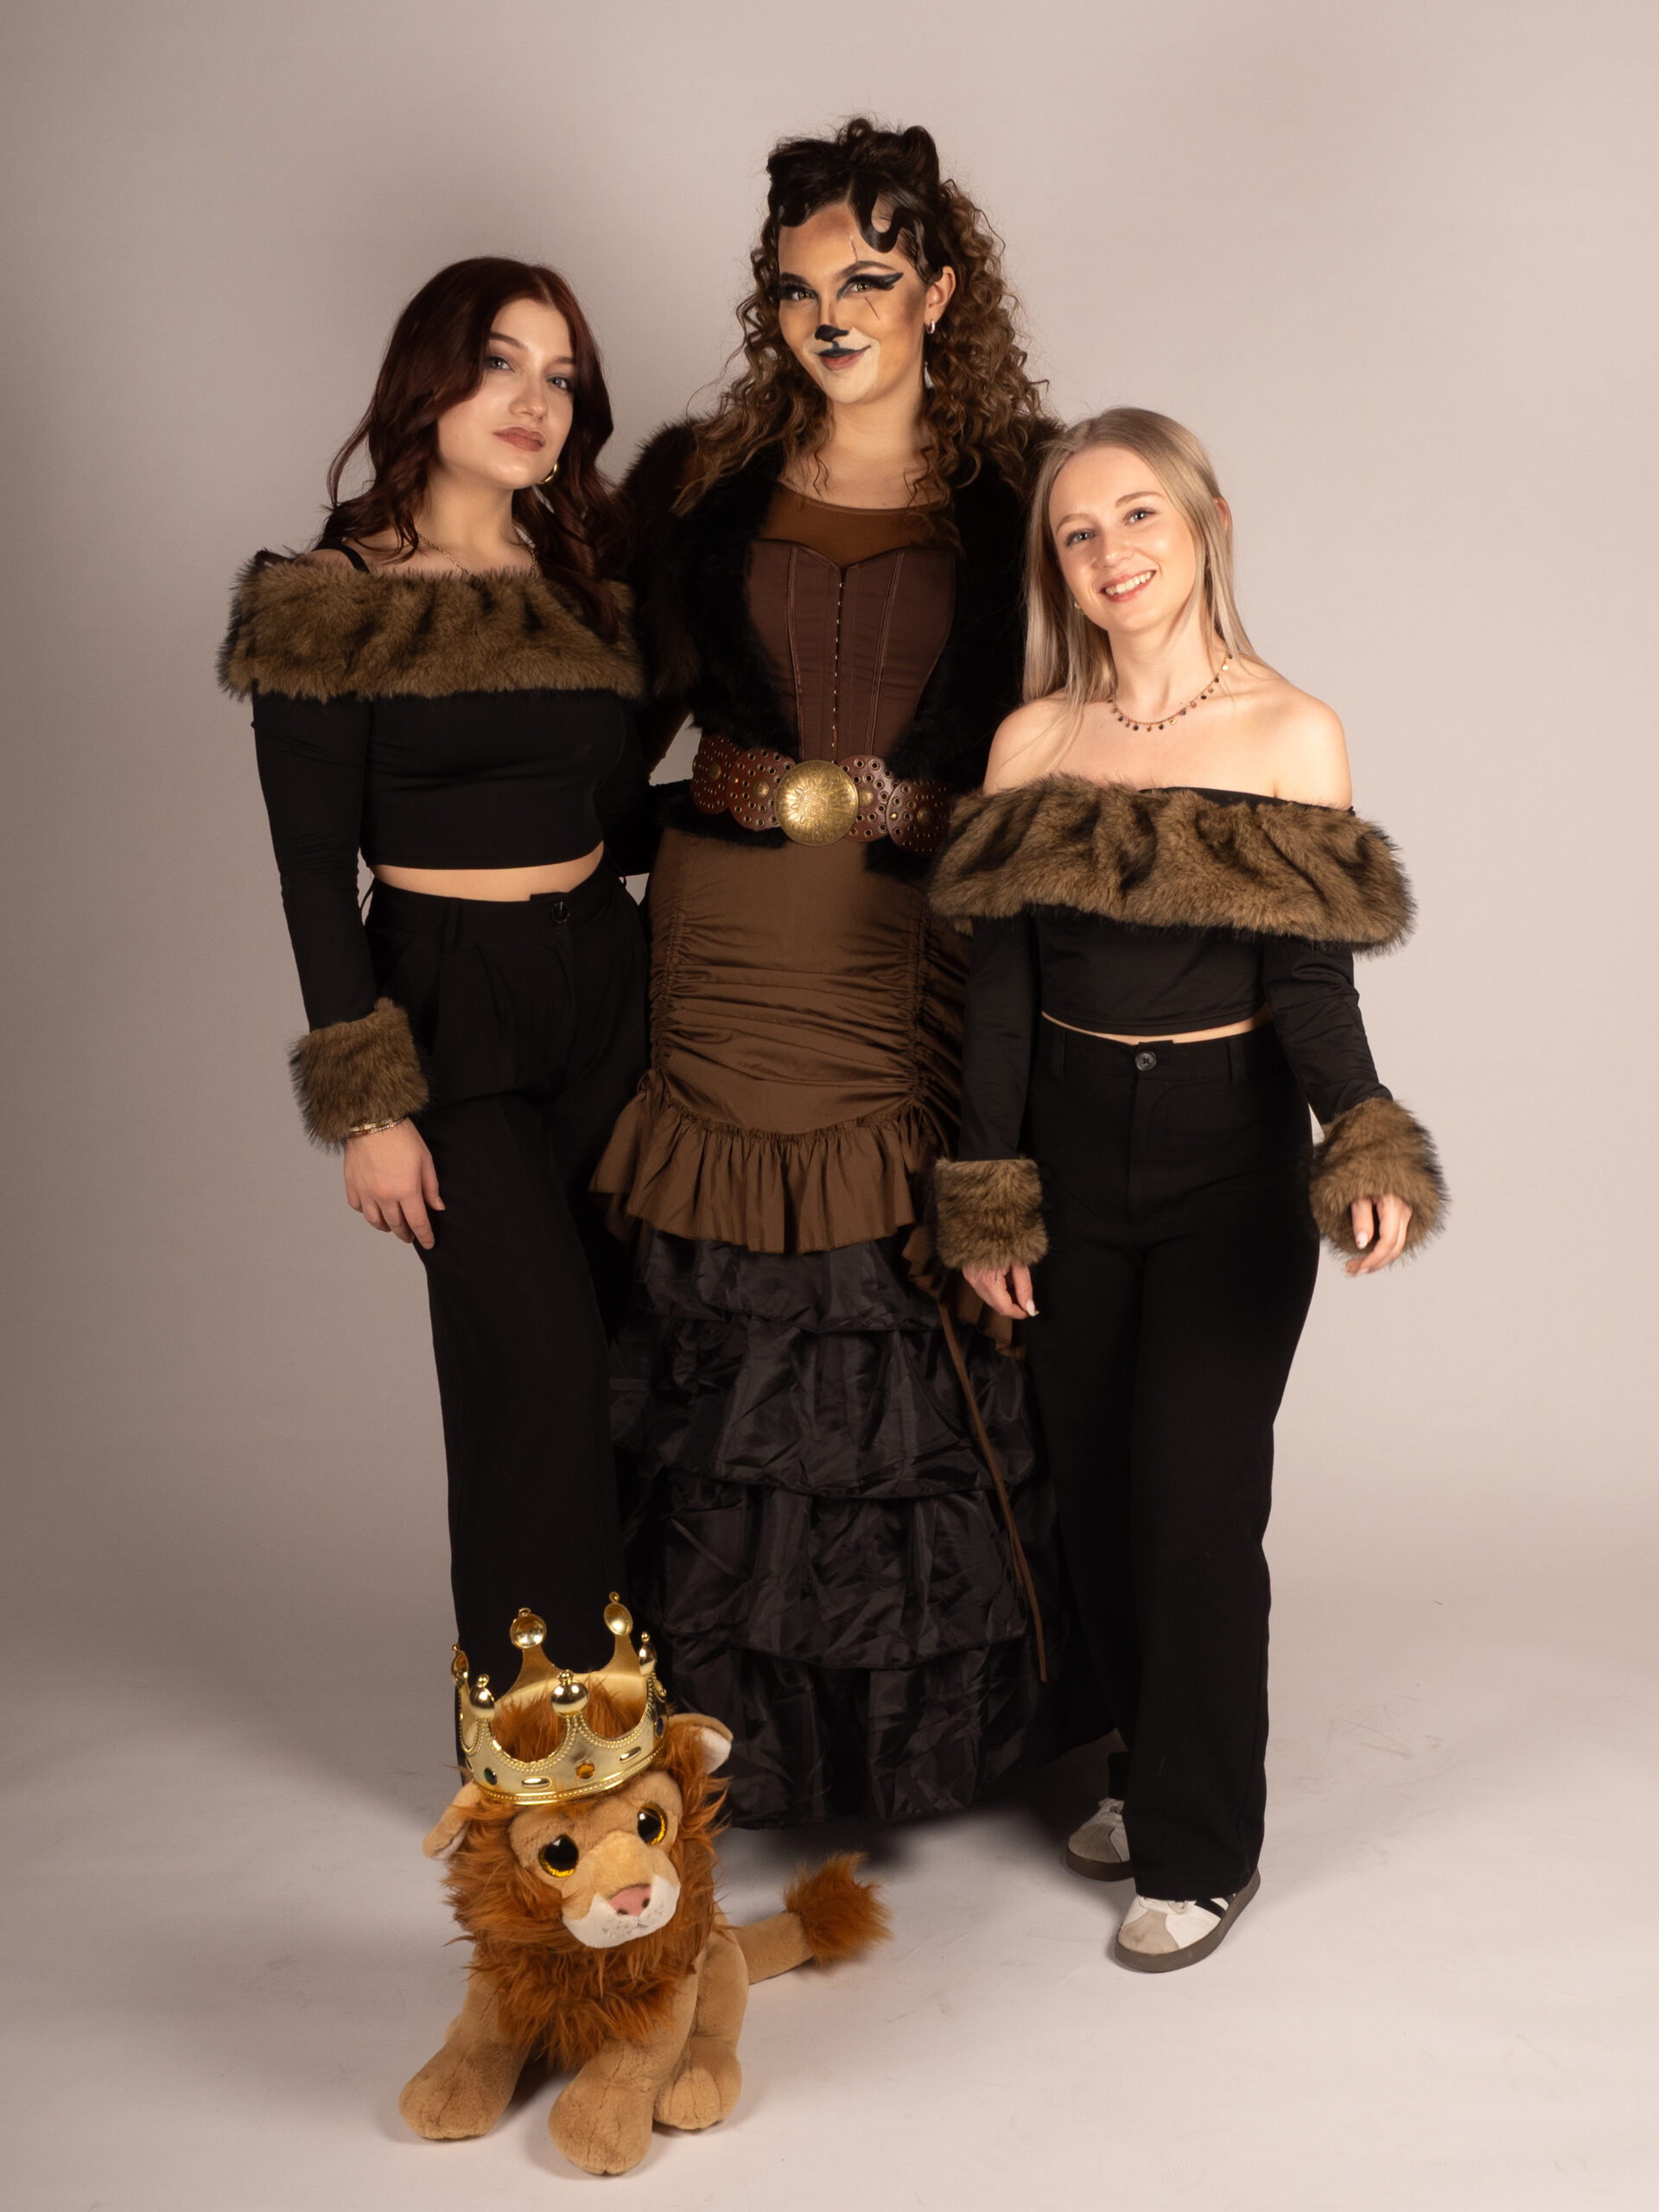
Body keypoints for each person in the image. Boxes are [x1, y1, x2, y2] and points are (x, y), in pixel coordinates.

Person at [596, 119, 1084, 1825]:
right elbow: (604, 717)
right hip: (724, 945)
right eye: (801, 287)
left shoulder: (1030, 491)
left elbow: (1112, 699)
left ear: (941, 289)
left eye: (869, 279)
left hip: (918, 948)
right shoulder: (695, 482)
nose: (833, 315)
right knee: (728, 1322)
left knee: (897, 1298)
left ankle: (924, 1745)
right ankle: (722, 1739)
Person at [930, 408, 1446, 1969]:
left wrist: (1364, 1136)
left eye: (1139, 516)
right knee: (1094, 1488)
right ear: (1057, 565)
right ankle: (1144, 1760)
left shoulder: (1293, 733)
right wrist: (989, 1191)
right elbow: (1001, 999)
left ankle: (1202, 1852)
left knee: (1197, 1503)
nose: (1113, 553)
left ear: (1208, 521)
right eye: (1078, 532)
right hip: (1069, 1139)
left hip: (1228, 1152)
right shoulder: (1033, 744)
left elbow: (1312, 988)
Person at [221, 257, 653, 1699]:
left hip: (608, 983)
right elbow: (310, 871)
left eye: (561, 376)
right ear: (430, 378)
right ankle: (547, 1744)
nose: (537, 402)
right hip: (445, 1001)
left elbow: (603, 815)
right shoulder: (326, 600)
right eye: (501, 365)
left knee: (631, 1350)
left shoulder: (583, 587)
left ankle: (636, 1709)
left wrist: (772, 805)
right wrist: (367, 1106)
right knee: (536, 1361)